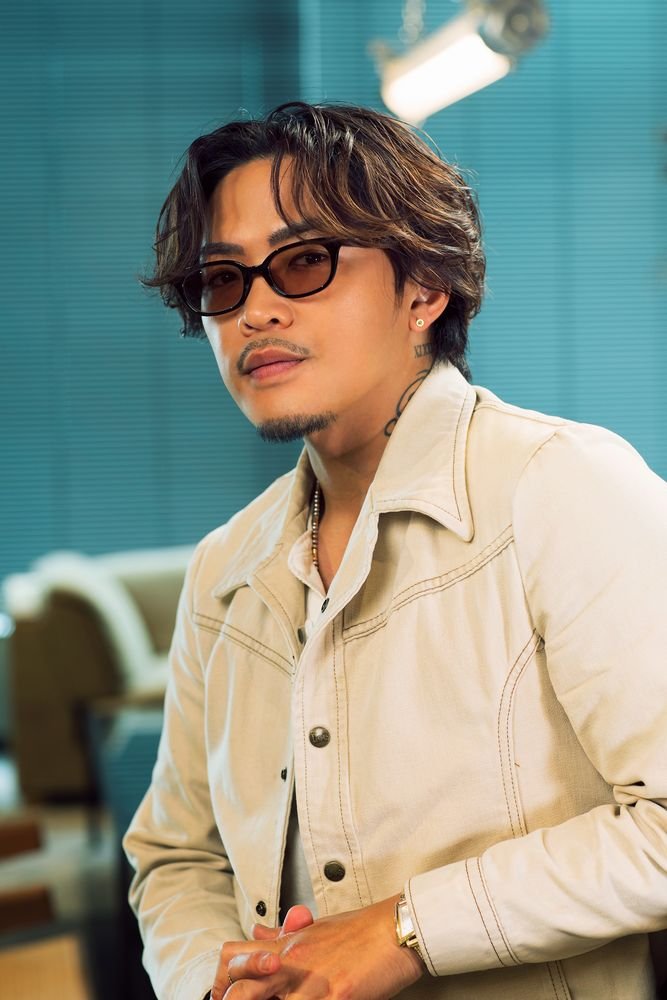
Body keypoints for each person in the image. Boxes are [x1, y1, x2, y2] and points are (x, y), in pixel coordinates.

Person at [123, 101, 667, 1000]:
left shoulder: (562, 488)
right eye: (223, 280)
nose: (254, 309)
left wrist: (405, 928)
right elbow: (176, 857)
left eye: (303, 262)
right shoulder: (223, 569)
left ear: (423, 289)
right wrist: (214, 981)